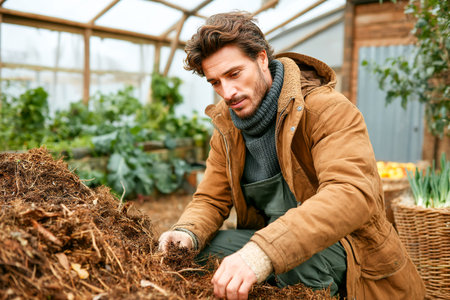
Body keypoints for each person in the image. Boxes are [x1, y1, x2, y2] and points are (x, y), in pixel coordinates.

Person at [158, 11, 425, 300]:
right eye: (215, 82)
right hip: (275, 244)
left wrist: (262, 252)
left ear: (261, 59)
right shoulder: (227, 125)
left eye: (234, 74)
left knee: (298, 260)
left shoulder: (326, 109)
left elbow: (351, 193)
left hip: (351, 253)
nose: (228, 92)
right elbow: (211, 198)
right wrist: (187, 233)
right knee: (200, 253)